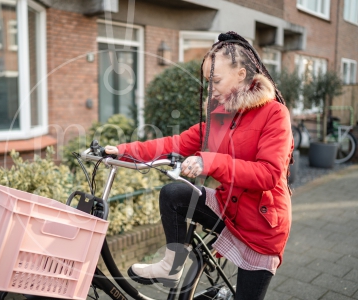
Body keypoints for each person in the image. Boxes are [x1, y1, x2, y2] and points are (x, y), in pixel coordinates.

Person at [104, 31, 293, 300]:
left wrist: (210, 161)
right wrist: (121, 151)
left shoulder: (274, 113)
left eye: (215, 80)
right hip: (229, 208)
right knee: (174, 194)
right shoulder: (221, 116)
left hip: (261, 226)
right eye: (208, 81)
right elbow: (176, 143)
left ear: (241, 74)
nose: (210, 87)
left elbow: (269, 174)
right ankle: (172, 265)